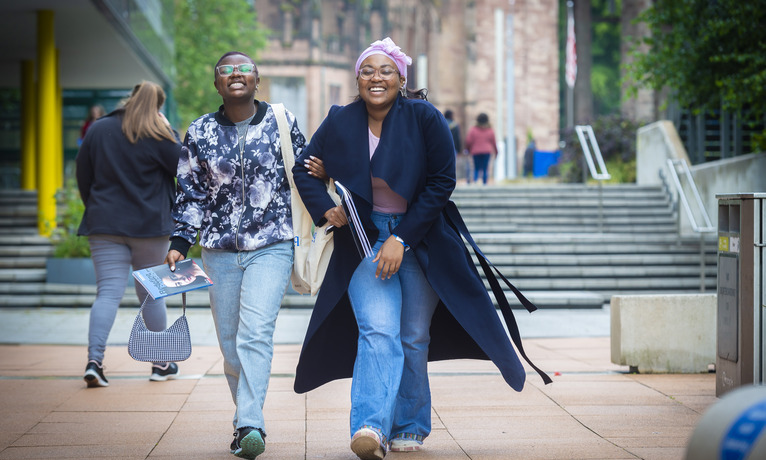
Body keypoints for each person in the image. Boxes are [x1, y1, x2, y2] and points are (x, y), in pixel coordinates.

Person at [292, 37, 549, 460]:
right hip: (362, 238)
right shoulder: (340, 120)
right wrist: (326, 209)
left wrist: (402, 237)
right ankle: (369, 428)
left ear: (401, 77)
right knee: (378, 330)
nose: (376, 78)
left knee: (413, 336)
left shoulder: (424, 117)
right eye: (367, 71)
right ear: (357, 78)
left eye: (385, 70)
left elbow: (440, 183)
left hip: (421, 235)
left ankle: (409, 425)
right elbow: (305, 166)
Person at [164, 51, 306, 460]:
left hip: (272, 244)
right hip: (219, 250)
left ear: (257, 80)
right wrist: (179, 241)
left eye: (244, 68)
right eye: (225, 70)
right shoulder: (201, 130)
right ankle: (246, 417)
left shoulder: (282, 122)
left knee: (255, 333)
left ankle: (249, 423)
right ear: (217, 85)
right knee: (230, 345)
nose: (235, 74)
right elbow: (190, 190)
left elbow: (306, 170)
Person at [76, 81, 182, 388]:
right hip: (150, 228)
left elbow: (83, 173)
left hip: (105, 225)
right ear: (158, 107)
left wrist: (96, 208)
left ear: (130, 99)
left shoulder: (98, 128)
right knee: (151, 293)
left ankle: (95, 362)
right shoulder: (159, 133)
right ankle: (160, 363)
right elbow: (183, 167)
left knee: (107, 292)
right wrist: (170, 130)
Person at [464, 113, 497, 185]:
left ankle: (475, 182)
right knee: (485, 168)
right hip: (487, 152)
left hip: (475, 152)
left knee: (476, 168)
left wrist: (468, 149)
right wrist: (496, 152)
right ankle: (485, 183)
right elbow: (494, 142)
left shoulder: (473, 130)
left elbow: (468, 141)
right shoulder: (490, 130)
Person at [444, 109, 470, 184]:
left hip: (442, 148)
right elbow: (457, 138)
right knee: (452, 165)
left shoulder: (442, 123)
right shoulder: (455, 125)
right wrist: (458, 149)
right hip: (453, 148)